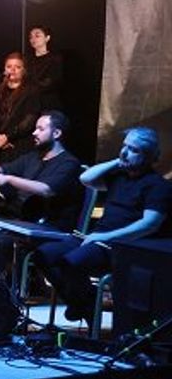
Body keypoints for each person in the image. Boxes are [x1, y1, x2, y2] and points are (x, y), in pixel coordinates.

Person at [35, 127, 171, 324]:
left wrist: (104, 237)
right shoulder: (119, 177)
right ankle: (85, 303)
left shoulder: (157, 185)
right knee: (43, 255)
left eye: (133, 150)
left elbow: (149, 224)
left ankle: (84, 305)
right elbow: (85, 178)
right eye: (124, 146)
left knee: (72, 262)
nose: (125, 152)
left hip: (120, 246)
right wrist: (118, 161)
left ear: (149, 156)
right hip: (95, 239)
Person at [0, 111, 82, 285]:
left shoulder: (69, 163)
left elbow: (46, 189)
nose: (34, 133)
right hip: (21, 219)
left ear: (57, 133)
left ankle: (3, 288)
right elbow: (6, 167)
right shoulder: (33, 157)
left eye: (40, 129)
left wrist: (8, 179)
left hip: (48, 224)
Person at [0, 53, 41, 165]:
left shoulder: (31, 91)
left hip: (18, 143)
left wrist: (8, 137)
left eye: (17, 67)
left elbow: (29, 120)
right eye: (9, 67)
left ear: (24, 70)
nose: (12, 70)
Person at [26, 26, 65, 110]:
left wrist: (30, 89)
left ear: (47, 38)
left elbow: (52, 81)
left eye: (37, 36)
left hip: (47, 103)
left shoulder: (54, 58)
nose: (33, 39)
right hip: (29, 103)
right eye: (31, 37)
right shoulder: (27, 59)